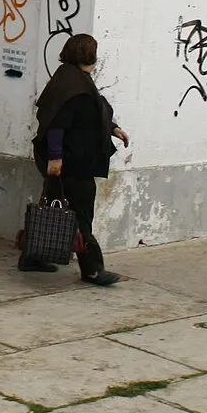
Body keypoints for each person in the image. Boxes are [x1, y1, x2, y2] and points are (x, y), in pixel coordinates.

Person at [25, 33, 130, 285]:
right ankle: (92, 269)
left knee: (52, 205)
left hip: (67, 159)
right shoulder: (76, 87)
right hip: (71, 161)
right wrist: (55, 159)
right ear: (90, 56)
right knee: (81, 213)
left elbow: (90, 115)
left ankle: (31, 257)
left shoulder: (69, 79)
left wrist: (113, 128)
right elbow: (58, 125)